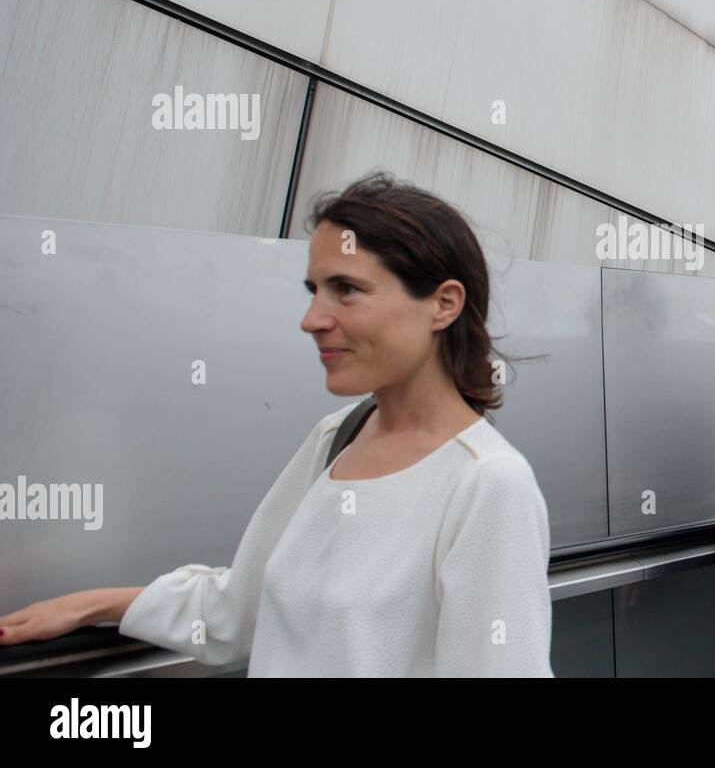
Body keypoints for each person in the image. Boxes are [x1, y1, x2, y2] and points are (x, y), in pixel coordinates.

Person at [0, 172, 554, 677]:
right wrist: (88, 605)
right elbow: (240, 612)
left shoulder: (487, 485)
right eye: (314, 291)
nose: (312, 320)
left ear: (443, 304)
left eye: (347, 289)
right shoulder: (338, 437)